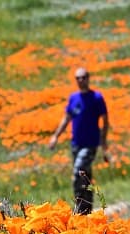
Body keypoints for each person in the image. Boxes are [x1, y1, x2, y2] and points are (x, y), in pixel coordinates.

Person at [49, 68, 109, 215]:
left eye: (83, 77)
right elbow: (67, 118)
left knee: (78, 171)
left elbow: (105, 121)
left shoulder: (96, 97)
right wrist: (56, 136)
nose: (80, 80)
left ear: (88, 78)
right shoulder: (73, 98)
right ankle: (87, 210)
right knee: (85, 176)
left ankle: (79, 207)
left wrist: (104, 142)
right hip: (76, 144)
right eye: (77, 78)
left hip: (90, 144)